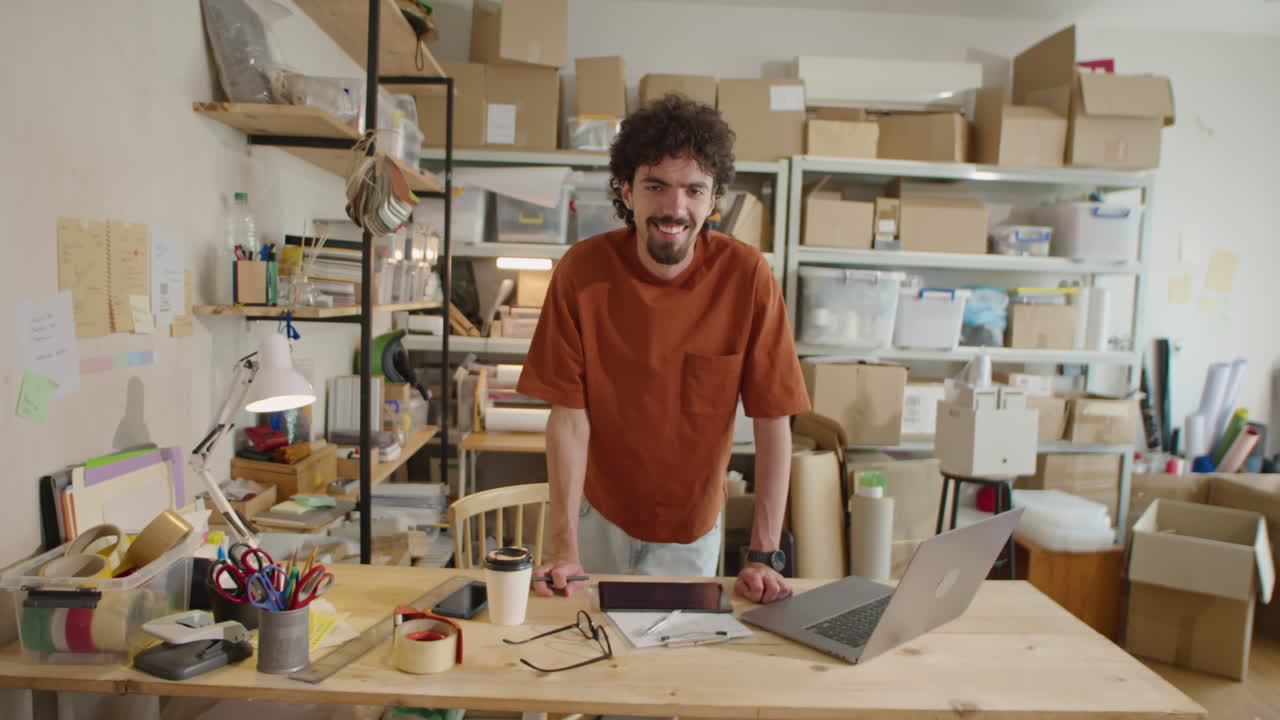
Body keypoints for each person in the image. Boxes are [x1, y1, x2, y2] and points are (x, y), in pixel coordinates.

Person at [516, 94, 810, 605]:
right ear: (627, 192)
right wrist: (564, 545)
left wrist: (764, 554)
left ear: (713, 198)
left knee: (677, 670)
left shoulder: (748, 278)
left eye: (694, 190)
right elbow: (567, 417)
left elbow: (773, 418)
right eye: (657, 186)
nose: (675, 208)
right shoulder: (581, 273)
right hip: (596, 517)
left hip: (692, 530)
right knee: (587, 652)